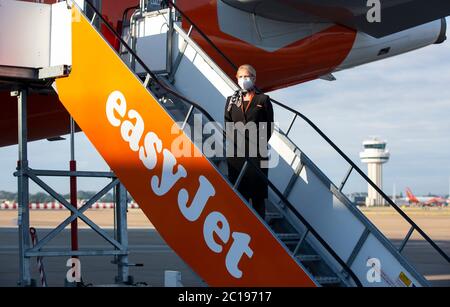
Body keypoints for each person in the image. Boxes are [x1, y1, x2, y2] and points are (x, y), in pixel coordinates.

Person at [224, 64, 274, 220]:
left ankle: (261, 232)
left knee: (257, 196)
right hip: (236, 154)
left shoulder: (263, 99)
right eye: (240, 77)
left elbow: (269, 126)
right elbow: (228, 124)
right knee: (240, 195)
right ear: (236, 78)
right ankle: (241, 227)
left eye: (247, 76)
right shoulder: (231, 101)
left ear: (254, 78)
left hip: (257, 153)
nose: (243, 79)